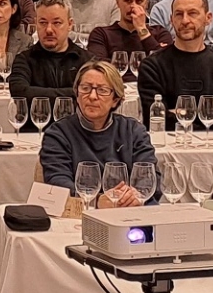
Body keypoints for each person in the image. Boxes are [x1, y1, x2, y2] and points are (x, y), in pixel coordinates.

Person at [39, 61, 158, 207]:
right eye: (85, 88)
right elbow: (57, 183)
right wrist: (96, 202)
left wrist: (136, 196)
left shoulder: (133, 131)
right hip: (81, 215)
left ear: (116, 100)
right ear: (77, 94)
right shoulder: (58, 134)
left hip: (131, 212)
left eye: (102, 90)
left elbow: (150, 176)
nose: (92, 96)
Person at [137, 0, 213, 129]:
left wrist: (179, 113)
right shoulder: (152, 66)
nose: (185, 20)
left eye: (192, 13)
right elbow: (157, 120)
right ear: (171, 20)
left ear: (208, 18)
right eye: (179, 14)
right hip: (168, 148)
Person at [9, 0, 86, 106]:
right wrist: (74, 93)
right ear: (36, 23)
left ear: (70, 25)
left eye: (57, 23)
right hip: (34, 122)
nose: (49, 30)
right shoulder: (24, 60)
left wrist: (37, 93)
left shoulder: (87, 61)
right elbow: (20, 93)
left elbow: (90, 95)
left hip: (75, 123)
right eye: (43, 23)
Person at [86, 0, 171, 62]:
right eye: (128, 1)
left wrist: (142, 29)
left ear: (146, 4)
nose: (133, 6)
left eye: (139, 1)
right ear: (118, 2)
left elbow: (164, 64)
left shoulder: (160, 33)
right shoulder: (101, 34)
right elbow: (99, 66)